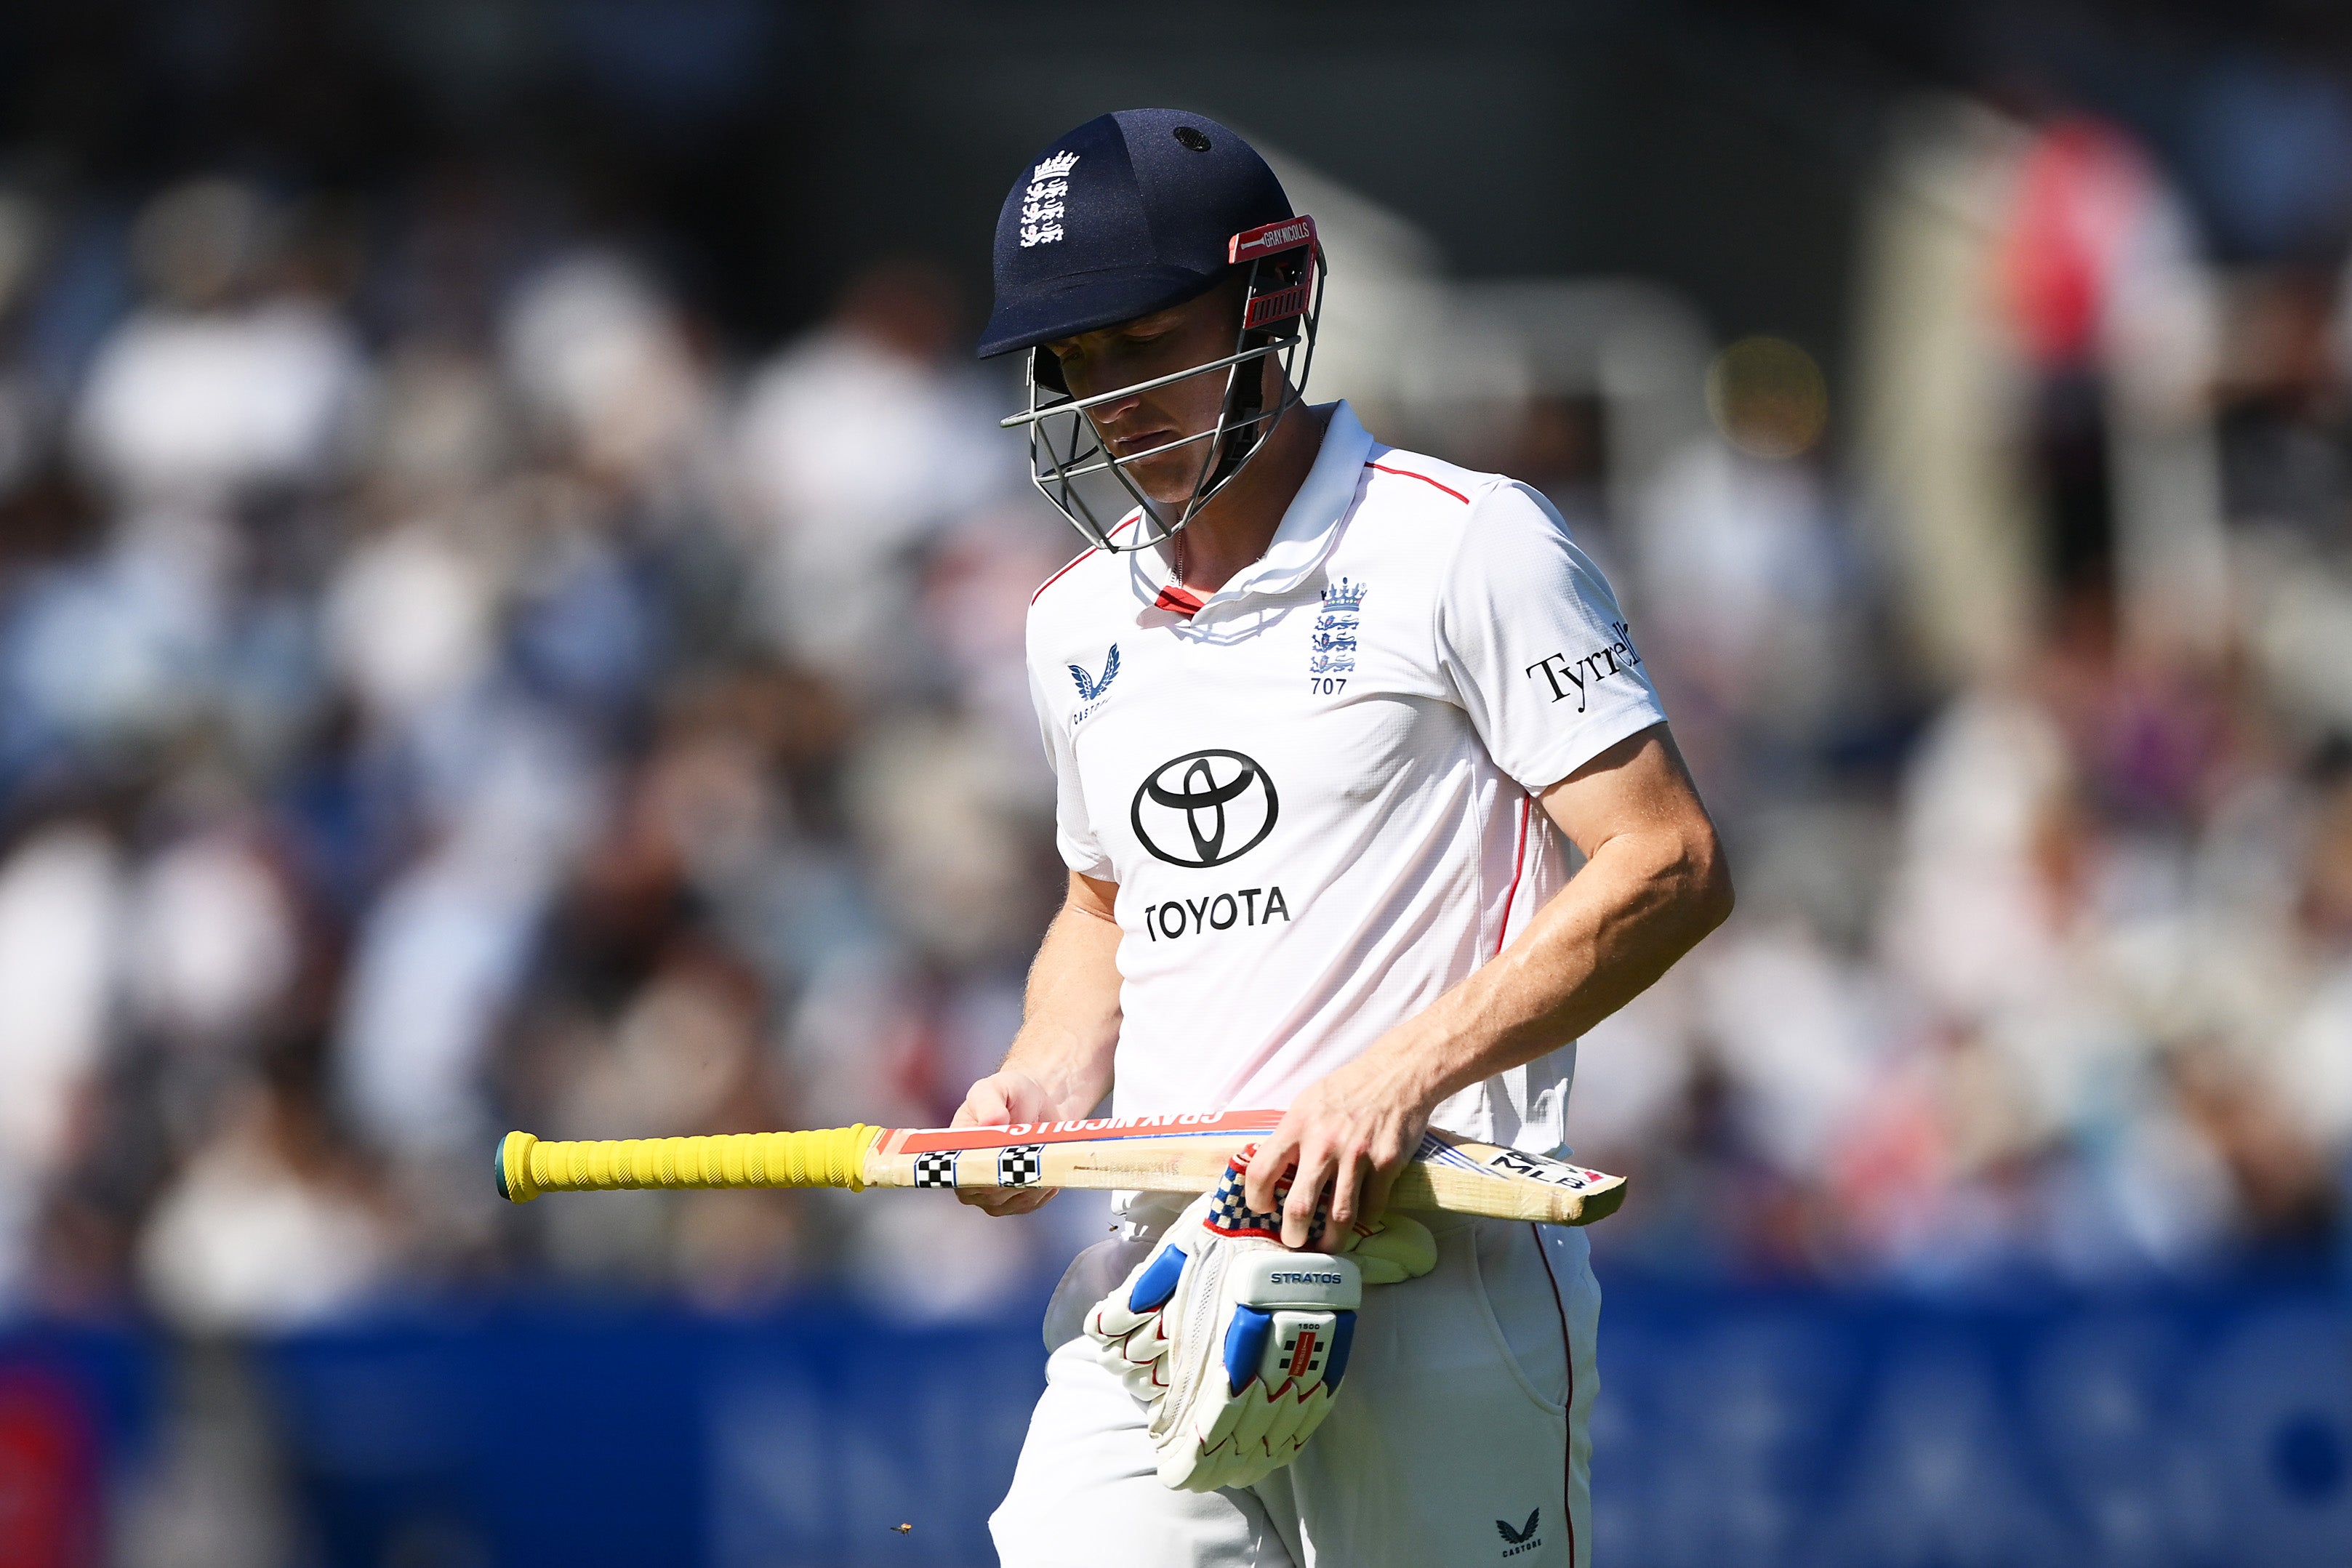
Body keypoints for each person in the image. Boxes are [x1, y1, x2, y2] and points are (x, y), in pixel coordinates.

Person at [956, 108, 1732, 1568]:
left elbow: (1669, 860)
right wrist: (1041, 1077)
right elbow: (1101, 906)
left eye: (1145, 341)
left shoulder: (1465, 541)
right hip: (1167, 1270)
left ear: (1269, 302)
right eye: (1074, 360)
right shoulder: (1072, 622)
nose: (1112, 399)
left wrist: (1396, 1074)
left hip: (1436, 1269)